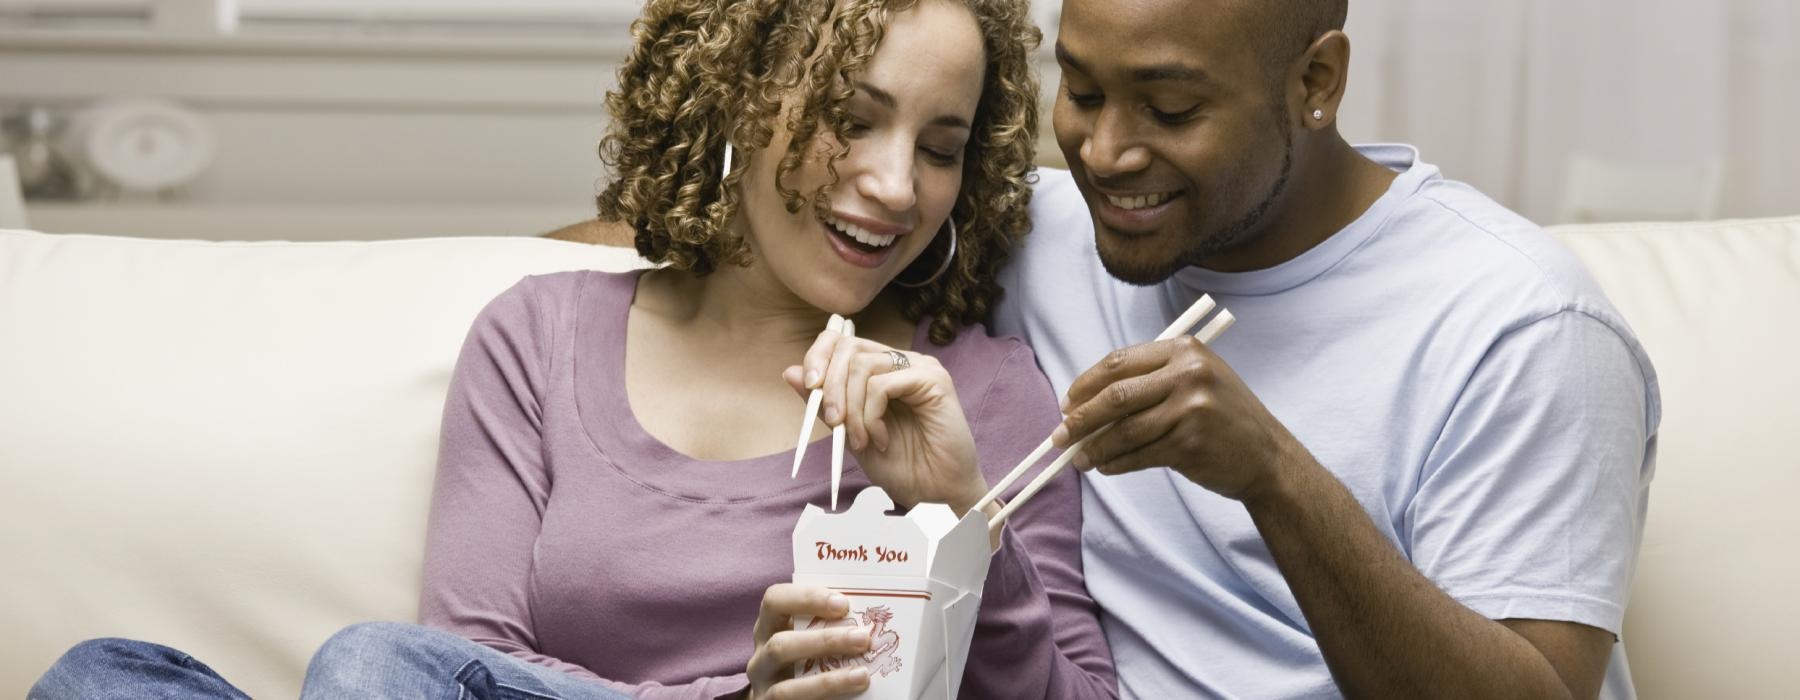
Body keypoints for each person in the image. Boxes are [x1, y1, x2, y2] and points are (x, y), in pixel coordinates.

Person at [30, 1, 1117, 699]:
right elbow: (466, 664)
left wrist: (967, 522)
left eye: (940, 148)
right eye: (853, 117)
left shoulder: (970, 393)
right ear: (735, 92)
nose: (894, 186)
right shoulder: (541, 336)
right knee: (97, 681)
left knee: (364, 666)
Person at [805, 0, 1660, 697]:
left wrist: (1270, 473)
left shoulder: (1524, 325)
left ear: (1317, 81)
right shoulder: (1027, 232)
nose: (1105, 154)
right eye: (1084, 90)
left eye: (1172, 109)